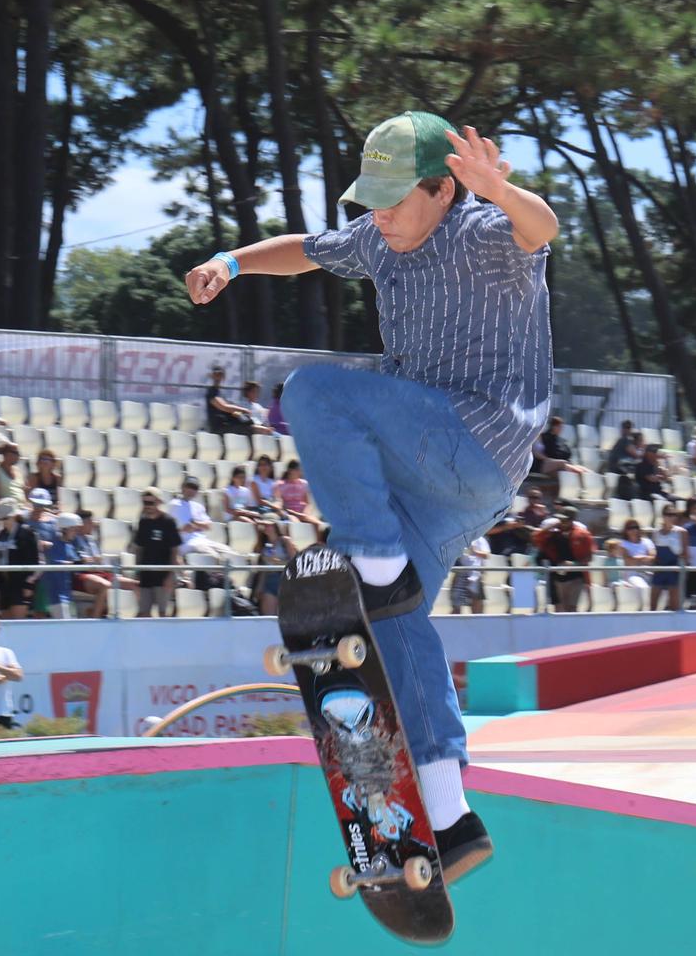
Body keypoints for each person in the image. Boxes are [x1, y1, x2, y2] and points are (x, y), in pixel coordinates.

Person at [185, 112, 559, 882]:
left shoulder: (484, 231)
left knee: (316, 392)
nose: (379, 216)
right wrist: (232, 259)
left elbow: (540, 227)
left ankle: (377, 563)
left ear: (443, 188)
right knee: (391, 627)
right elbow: (303, 251)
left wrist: (501, 190)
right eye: (372, 201)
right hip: (453, 491)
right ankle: (452, 818)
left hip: (474, 438)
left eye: (395, 200)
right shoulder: (377, 237)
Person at [131, 489, 181, 617]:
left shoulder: (168, 522)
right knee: (143, 612)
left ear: (158, 502)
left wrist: (171, 576)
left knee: (163, 613)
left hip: (163, 574)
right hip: (145, 574)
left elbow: (174, 550)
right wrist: (137, 572)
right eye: (145, 502)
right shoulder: (143, 522)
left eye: (151, 503)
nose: (147, 506)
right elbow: (139, 548)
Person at [0, 500, 41, 620]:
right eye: (1, 519)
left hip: (20, 583)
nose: (3, 522)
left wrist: (29, 585)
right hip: (4, 585)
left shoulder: (27, 533)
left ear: (14, 517)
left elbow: (35, 560)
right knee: (6, 624)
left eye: (5, 518)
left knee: (18, 622)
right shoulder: (1, 535)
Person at [533, 512, 592, 613]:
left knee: (572, 608)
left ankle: (572, 628)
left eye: (565, 520)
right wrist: (549, 527)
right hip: (558, 576)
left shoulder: (582, 535)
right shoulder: (554, 534)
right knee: (560, 608)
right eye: (561, 520)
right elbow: (536, 537)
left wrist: (573, 564)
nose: (562, 523)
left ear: (571, 520)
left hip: (576, 576)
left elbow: (588, 557)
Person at [532, 414, 587, 485]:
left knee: (579, 467)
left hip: (553, 464)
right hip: (541, 464)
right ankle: (583, 482)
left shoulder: (558, 439)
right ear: (554, 426)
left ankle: (587, 475)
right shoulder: (542, 437)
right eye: (560, 427)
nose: (561, 429)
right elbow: (535, 452)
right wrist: (548, 459)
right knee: (563, 463)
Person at [651, 507, 688, 610]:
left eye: (673, 514)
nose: (671, 517)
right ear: (663, 515)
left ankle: (674, 626)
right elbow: (654, 552)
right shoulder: (656, 532)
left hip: (674, 569)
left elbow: (685, 554)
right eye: (668, 514)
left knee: (674, 606)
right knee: (653, 604)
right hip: (659, 569)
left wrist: (677, 552)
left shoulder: (682, 532)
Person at [204, 363, 255, 437]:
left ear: (223, 377)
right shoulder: (211, 392)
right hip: (219, 428)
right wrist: (244, 410)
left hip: (226, 425)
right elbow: (224, 407)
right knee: (248, 429)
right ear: (212, 376)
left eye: (220, 375)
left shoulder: (220, 393)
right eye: (215, 374)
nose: (217, 377)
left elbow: (228, 410)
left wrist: (239, 414)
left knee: (248, 424)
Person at [607, 518, 657, 593]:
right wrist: (645, 558)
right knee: (644, 589)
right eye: (630, 528)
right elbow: (628, 562)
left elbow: (653, 558)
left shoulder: (647, 541)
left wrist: (636, 559)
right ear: (626, 531)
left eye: (636, 527)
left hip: (649, 574)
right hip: (633, 576)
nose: (634, 530)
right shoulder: (623, 544)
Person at [0, 442, 28, 511]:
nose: (18, 456)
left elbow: (24, 493)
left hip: (22, 510)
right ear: (5, 453)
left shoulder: (18, 471)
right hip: (5, 512)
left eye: (18, 453)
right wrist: (12, 510)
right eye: (15, 453)